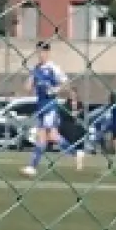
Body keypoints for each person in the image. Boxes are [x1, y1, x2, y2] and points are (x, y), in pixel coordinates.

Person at [23, 42, 69, 177]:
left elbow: (66, 83)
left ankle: (32, 166)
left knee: (44, 136)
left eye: (42, 52)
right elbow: (27, 88)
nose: (40, 55)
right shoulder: (36, 68)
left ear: (48, 53)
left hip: (50, 106)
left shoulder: (53, 68)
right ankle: (75, 152)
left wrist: (55, 89)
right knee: (50, 136)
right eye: (38, 52)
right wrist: (31, 77)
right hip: (41, 106)